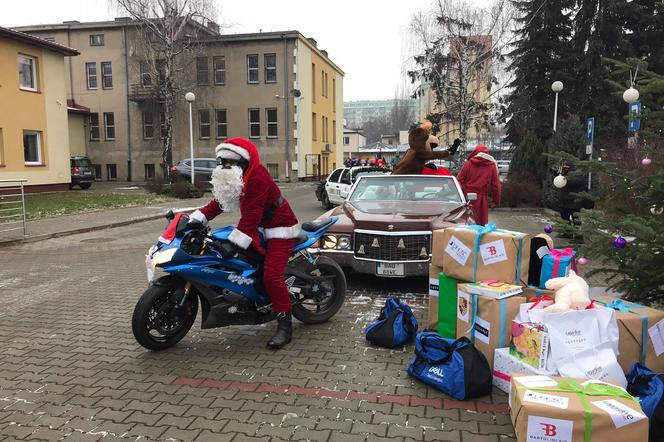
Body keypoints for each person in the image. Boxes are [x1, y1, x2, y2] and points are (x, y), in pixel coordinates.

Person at [189, 138, 300, 349]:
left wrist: (236, 242)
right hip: (259, 227)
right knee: (241, 260)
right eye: (222, 163)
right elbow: (220, 202)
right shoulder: (238, 178)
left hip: (280, 227)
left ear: (242, 163)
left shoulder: (257, 178)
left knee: (272, 275)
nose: (225, 167)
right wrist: (198, 218)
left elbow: (252, 215)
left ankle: (285, 325)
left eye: (229, 163)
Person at [391, 120, 460, 175]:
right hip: (405, 178)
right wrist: (449, 151)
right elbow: (434, 155)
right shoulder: (418, 151)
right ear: (421, 141)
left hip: (398, 175)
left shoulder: (410, 151)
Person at [456, 144, 501, 225]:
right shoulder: (491, 166)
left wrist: (460, 194)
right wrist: (495, 201)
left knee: (466, 223)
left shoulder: (468, 164)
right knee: (482, 224)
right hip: (482, 200)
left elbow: (459, 180)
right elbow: (496, 186)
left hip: (467, 199)